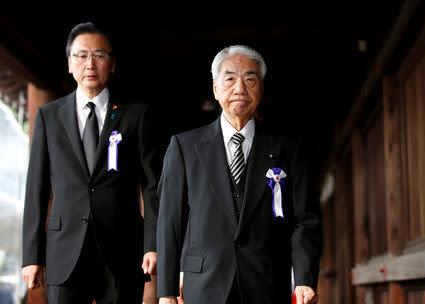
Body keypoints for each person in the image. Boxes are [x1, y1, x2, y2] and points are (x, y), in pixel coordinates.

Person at [156, 45, 323, 304]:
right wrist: (166, 291)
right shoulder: (184, 147)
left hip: (267, 283)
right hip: (203, 284)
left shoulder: (289, 150)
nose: (240, 89)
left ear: (261, 88)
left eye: (250, 79)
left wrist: (304, 278)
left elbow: (305, 219)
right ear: (215, 87)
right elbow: (169, 222)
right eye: (230, 78)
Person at [21, 22, 160, 304]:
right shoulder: (49, 116)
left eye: (99, 55)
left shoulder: (136, 115)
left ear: (113, 64)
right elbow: (36, 187)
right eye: (81, 55)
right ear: (70, 64)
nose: (90, 64)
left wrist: (152, 244)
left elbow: (152, 185)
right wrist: (32, 256)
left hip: (122, 248)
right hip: (64, 250)